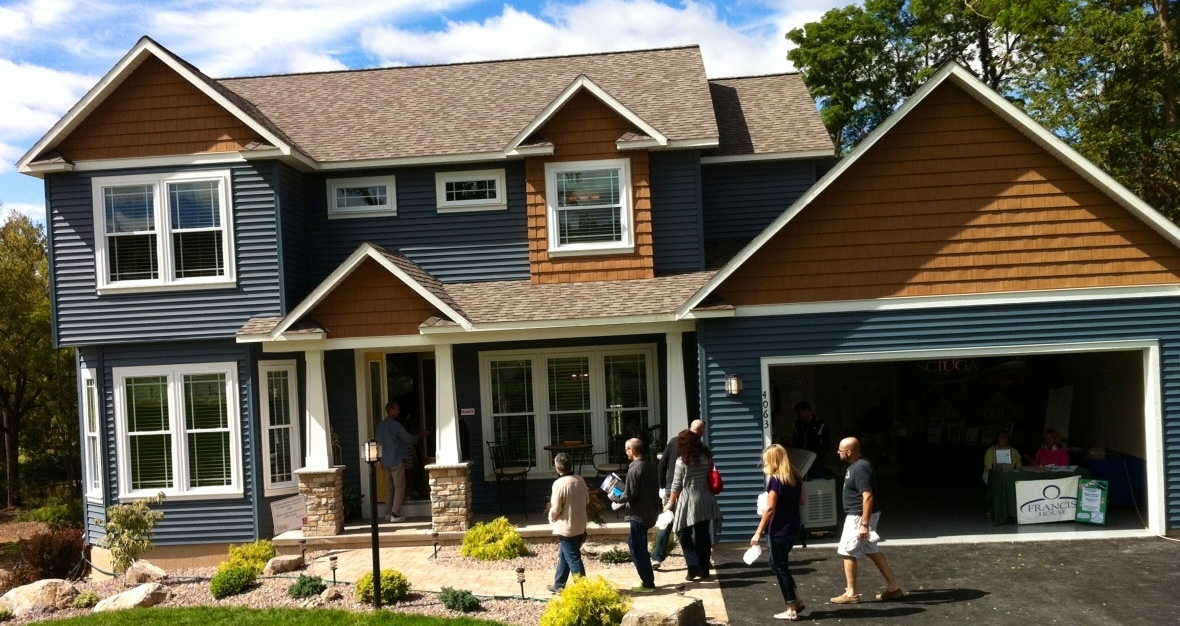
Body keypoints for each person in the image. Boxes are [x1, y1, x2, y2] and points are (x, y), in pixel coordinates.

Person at [830, 437, 903, 605]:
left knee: (847, 552)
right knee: (872, 550)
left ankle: (851, 593)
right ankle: (894, 588)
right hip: (859, 515)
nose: (838, 452)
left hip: (858, 517)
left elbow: (868, 496)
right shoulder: (856, 466)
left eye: (840, 450)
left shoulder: (861, 467)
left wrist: (864, 524)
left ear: (849, 452)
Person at [751, 444, 807, 621]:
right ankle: (797, 599)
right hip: (793, 526)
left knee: (780, 566)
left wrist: (758, 532)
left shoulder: (775, 479)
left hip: (778, 528)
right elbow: (803, 500)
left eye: (766, 460)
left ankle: (792, 608)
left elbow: (770, 509)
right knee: (776, 564)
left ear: (773, 460)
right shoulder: (796, 475)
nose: (764, 463)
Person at [664, 428, 723, 582]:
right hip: (705, 498)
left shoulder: (681, 461)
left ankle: (693, 566)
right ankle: (704, 570)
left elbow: (676, 485)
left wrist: (670, 503)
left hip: (688, 500)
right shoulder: (706, 458)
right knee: (703, 534)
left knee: (683, 533)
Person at [653, 419, 708, 569]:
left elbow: (662, 464)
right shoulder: (700, 446)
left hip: (671, 488)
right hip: (689, 491)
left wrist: (662, 486)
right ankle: (697, 560)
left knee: (667, 523)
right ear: (702, 431)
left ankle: (657, 557)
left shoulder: (674, 442)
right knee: (691, 526)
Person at [610, 438, 661, 593]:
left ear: (632, 450)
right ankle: (647, 579)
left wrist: (614, 497)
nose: (626, 452)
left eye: (627, 449)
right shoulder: (651, 466)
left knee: (638, 548)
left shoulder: (634, 469)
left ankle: (648, 583)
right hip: (650, 511)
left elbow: (630, 494)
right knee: (635, 543)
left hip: (638, 514)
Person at [375, 401, 426, 522]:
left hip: (384, 461)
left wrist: (380, 459)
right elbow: (408, 438)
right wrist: (420, 436)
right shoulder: (395, 425)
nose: (399, 411)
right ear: (391, 410)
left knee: (389, 487)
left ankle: (388, 513)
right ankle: (395, 514)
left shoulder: (380, 426)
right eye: (397, 409)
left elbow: (377, 444)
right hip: (396, 460)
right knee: (399, 487)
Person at [547, 452, 589, 594]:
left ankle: (583, 590)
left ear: (558, 467)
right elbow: (587, 500)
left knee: (573, 558)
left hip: (567, 527)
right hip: (580, 524)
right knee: (565, 555)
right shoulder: (580, 480)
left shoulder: (559, 484)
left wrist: (551, 517)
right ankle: (559, 584)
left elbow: (556, 508)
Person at [792, 402, 830, 479]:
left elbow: (826, 442)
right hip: (802, 457)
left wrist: (819, 456)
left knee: (816, 480)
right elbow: (795, 440)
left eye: (800, 413)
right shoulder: (799, 425)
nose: (798, 415)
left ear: (807, 411)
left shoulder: (819, 424)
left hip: (815, 459)